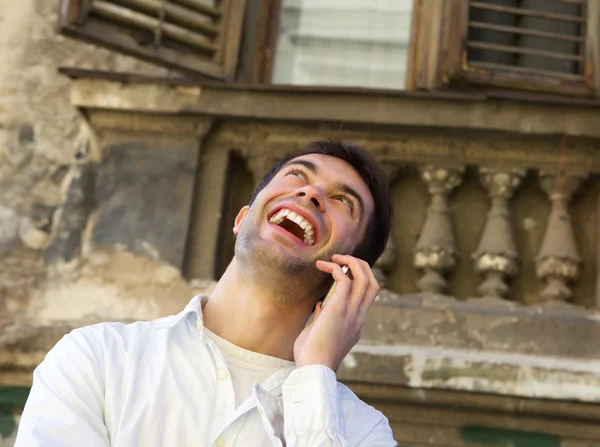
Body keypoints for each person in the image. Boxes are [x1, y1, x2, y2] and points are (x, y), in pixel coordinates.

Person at [15, 140, 397, 446]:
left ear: (347, 272)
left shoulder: (363, 433)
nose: (311, 192)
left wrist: (316, 374)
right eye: (297, 175)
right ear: (241, 218)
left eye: (343, 201)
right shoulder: (97, 359)